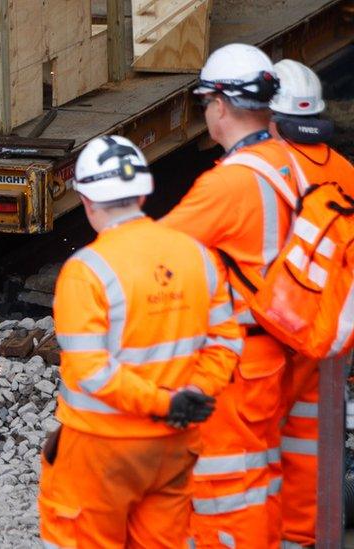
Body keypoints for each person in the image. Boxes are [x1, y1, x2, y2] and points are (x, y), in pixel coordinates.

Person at [39, 135, 241, 548]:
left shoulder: (87, 271)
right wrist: (192, 396)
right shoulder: (197, 255)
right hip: (175, 443)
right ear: (144, 192)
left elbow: (92, 373)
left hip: (103, 448)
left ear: (87, 200)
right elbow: (227, 341)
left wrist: (162, 403)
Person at [160, 43, 297, 548]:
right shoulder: (287, 160)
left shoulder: (229, 184)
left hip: (237, 360)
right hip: (275, 348)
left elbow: (156, 252)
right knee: (260, 473)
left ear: (218, 105)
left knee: (225, 486)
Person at [268, 59, 354, 549]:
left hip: (279, 326)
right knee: (314, 439)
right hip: (331, 331)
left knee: (257, 441)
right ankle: (305, 535)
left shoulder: (263, 170)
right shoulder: (344, 169)